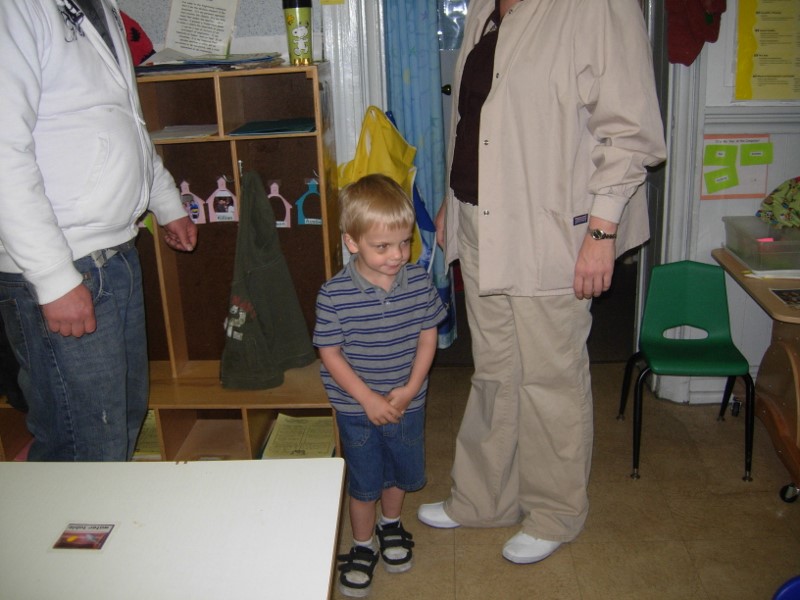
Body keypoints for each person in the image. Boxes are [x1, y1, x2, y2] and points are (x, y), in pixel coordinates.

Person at [417, 0, 667, 564]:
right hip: (482, 220)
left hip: (553, 228)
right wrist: (452, 206)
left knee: (549, 377)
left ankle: (555, 511)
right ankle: (484, 498)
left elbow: (630, 132)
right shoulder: (485, 6)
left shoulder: (598, 7)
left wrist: (601, 234)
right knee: (497, 370)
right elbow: (475, 121)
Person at [0, 0, 197, 461]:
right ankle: (63, 533)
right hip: (65, 265)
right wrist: (53, 280)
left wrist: (165, 201)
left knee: (122, 422)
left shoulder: (101, 7)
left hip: (115, 254)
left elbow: (124, 117)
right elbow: (3, 153)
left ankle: (96, 527)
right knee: (85, 443)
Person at [313, 174, 446, 597]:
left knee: (397, 474)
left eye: (404, 243)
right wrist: (367, 398)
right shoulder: (333, 295)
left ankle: (391, 527)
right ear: (353, 243)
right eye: (382, 246)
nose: (397, 255)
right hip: (357, 409)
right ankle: (363, 544)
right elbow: (330, 353)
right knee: (365, 481)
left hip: (406, 402)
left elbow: (429, 338)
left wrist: (408, 390)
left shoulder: (420, 283)